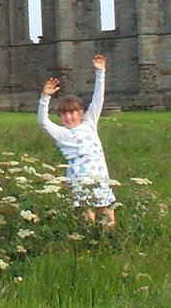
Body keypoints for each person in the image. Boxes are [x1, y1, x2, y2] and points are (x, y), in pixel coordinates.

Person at [37, 54, 117, 228]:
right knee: (87, 219)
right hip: (80, 182)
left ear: (81, 112)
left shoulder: (89, 123)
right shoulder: (60, 133)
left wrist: (100, 72)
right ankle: (88, 245)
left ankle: (110, 245)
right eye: (64, 113)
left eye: (72, 112)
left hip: (100, 178)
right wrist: (45, 97)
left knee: (108, 217)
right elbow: (43, 121)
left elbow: (98, 99)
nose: (68, 117)